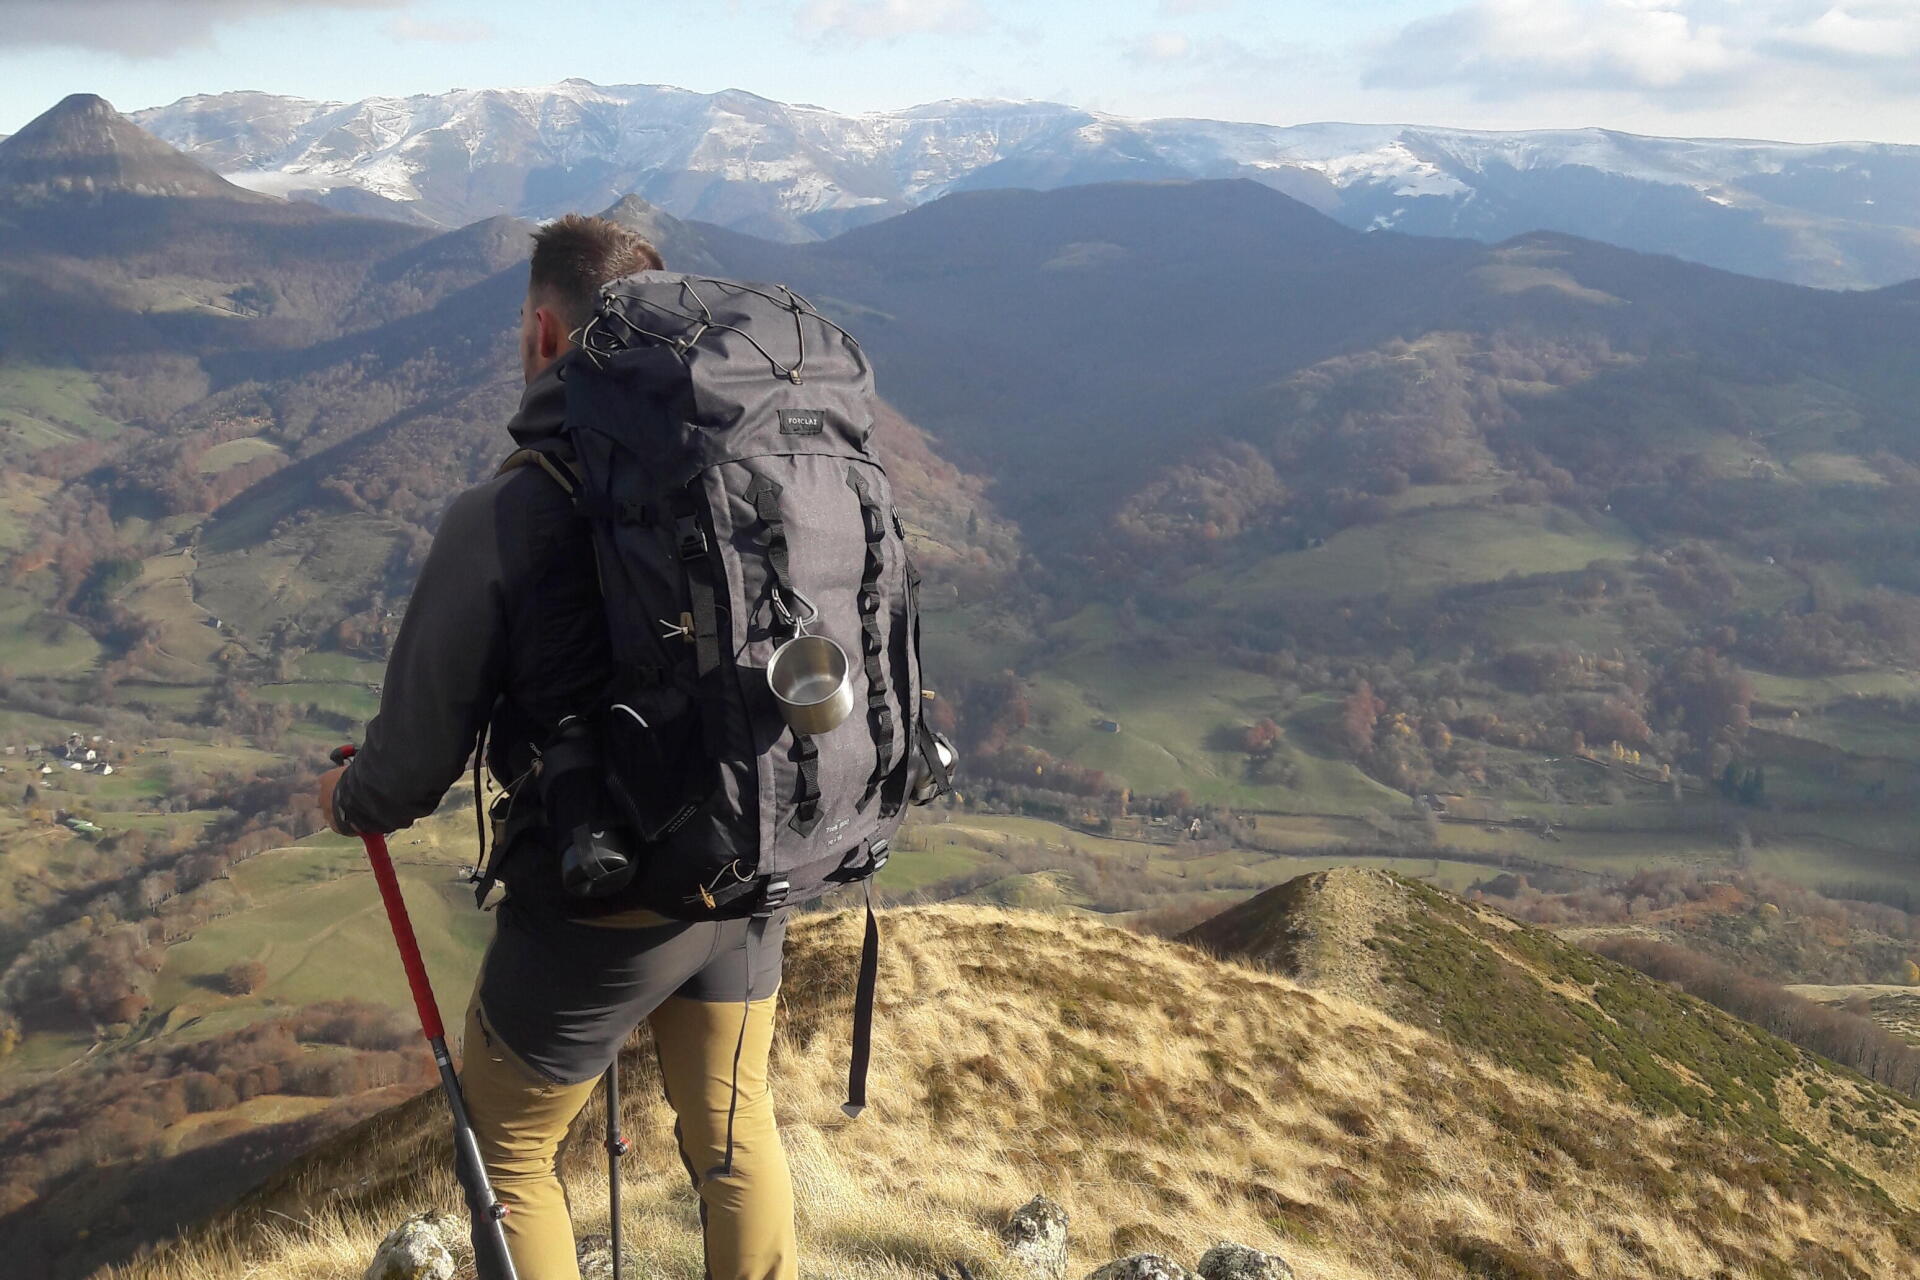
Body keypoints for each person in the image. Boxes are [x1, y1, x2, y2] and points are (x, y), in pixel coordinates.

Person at [316, 215, 798, 1280]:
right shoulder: (737, 474)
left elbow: (414, 753)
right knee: (731, 1136)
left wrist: (352, 798)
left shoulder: (508, 510)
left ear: (543, 331)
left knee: (510, 1146)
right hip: (749, 854)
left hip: (608, 889)